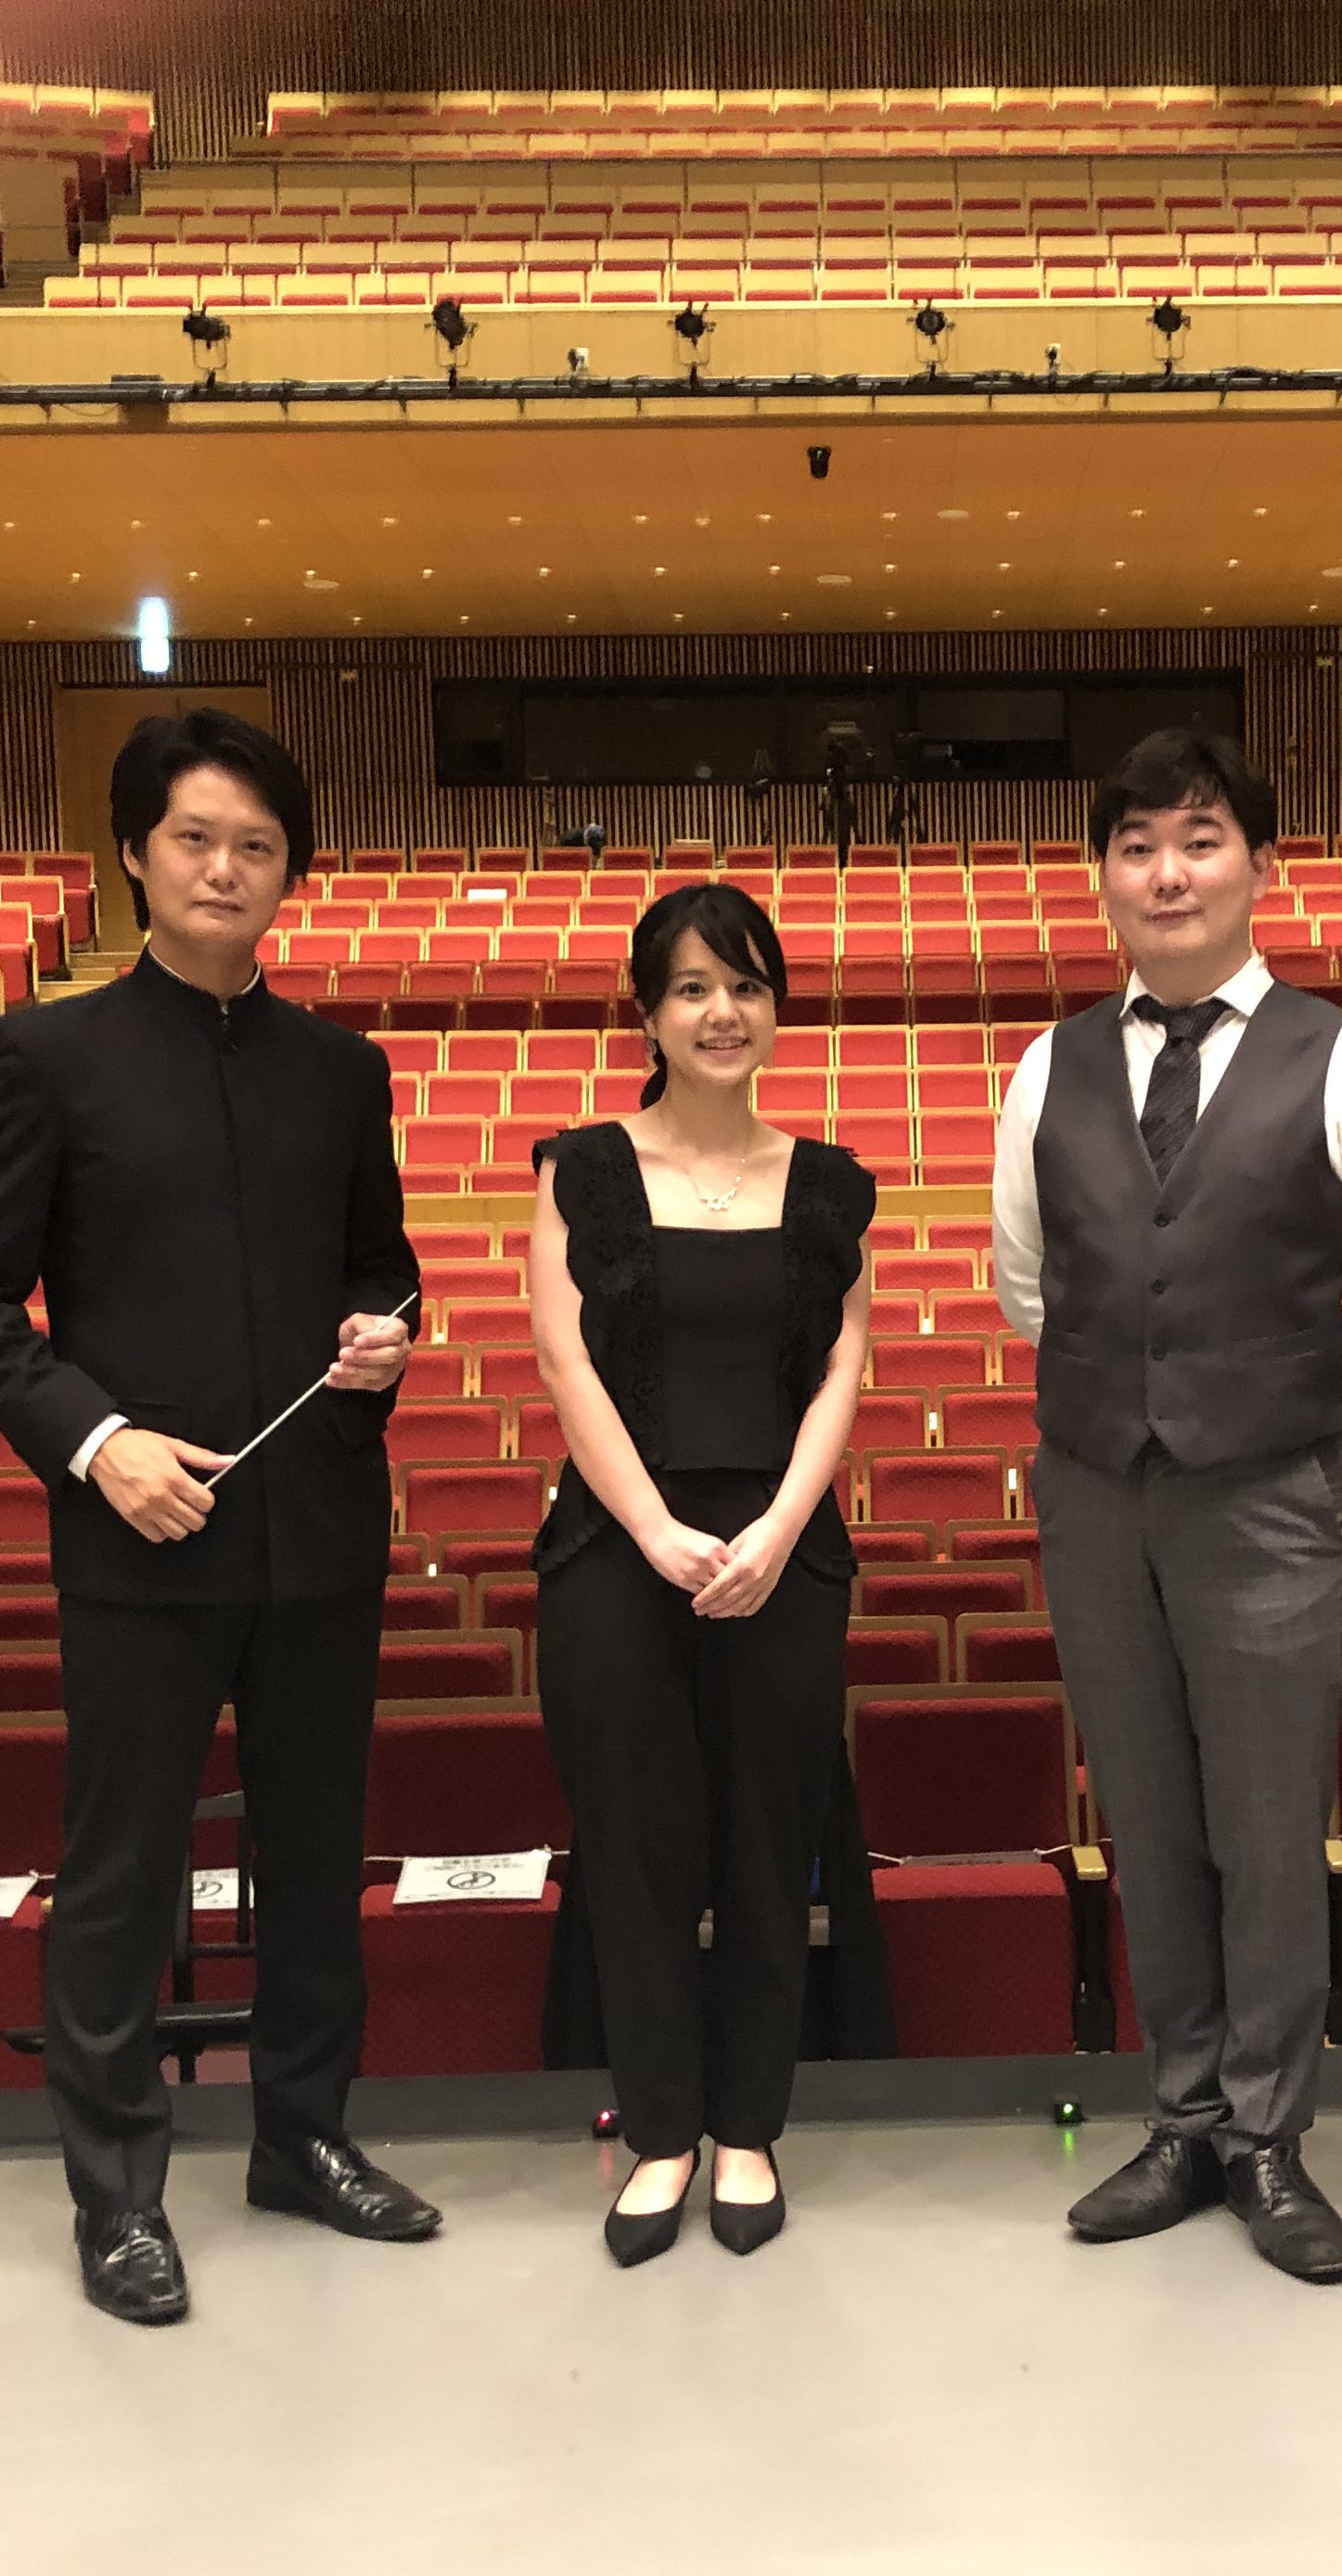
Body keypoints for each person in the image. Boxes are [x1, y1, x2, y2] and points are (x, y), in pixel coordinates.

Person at [0, 708, 441, 2327]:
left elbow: (384, 1270)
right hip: (138, 1537)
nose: (226, 869)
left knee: (314, 1858)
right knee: (124, 1871)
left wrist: (384, 1337)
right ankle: (117, 2191)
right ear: (136, 855)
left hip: (317, 1533)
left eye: (257, 846)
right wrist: (99, 1445)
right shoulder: (50, 1055)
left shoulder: (341, 1070)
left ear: (291, 872)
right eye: (196, 838)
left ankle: (304, 2137)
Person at [992, 730, 1342, 2282]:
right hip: (1095, 1493)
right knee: (1144, 1817)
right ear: (1102, 875)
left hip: (1270, 1492)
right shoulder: (1048, 1063)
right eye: (1136, 844)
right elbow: (1028, 1282)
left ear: (1256, 863)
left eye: (1198, 840)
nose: (1168, 873)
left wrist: (1303, 1418)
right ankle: (1183, 2116)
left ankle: (1267, 2131)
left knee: (1267, 1829)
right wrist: (1135, 1405)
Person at [529, 883, 875, 2266]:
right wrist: (660, 1533)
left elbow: (843, 1366)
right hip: (621, 1549)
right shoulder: (584, 1168)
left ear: (776, 1006)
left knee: (768, 1841)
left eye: (745, 985)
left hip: (783, 1546)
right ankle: (662, 2130)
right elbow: (565, 1363)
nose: (721, 1012)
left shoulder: (829, 1180)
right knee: (637, 1848)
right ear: (649, 1013)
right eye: (690, 988)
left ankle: (748, 2127)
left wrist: (780, 1527)